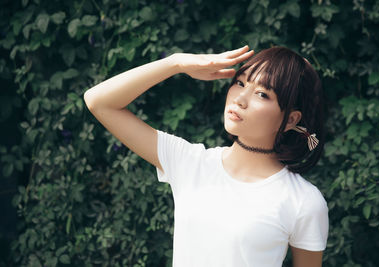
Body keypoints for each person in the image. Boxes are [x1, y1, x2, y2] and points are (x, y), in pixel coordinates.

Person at [84, 45, 329, 267]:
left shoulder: (303, 201)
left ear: (292, 120)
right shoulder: (190, 162)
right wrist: (176, 63)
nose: (240, 99)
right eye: (240, 83)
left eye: (263, 94)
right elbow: (98, 101)